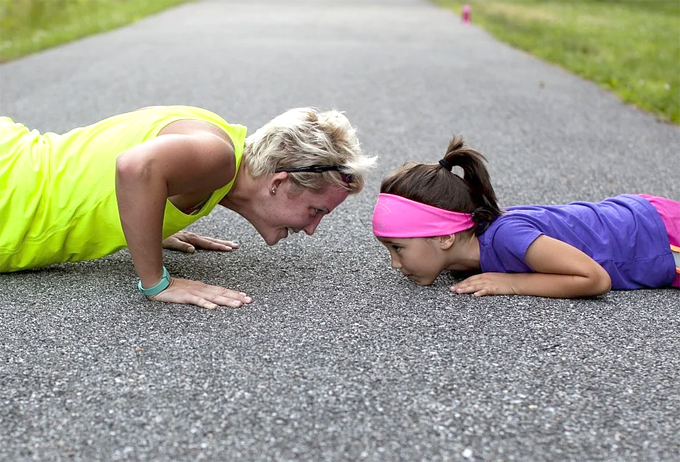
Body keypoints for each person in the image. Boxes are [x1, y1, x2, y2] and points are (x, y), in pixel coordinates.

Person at [1, 105, 376, 309]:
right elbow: (135, 168)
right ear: (279, 183)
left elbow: (129, 170)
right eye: (316, 211)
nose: (312, 229)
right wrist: (156, 281)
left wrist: (149, 221)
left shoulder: (220, 144)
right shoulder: (218, 157)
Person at [372, 135, 680, 298]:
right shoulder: (466, 256)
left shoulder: (507, 236)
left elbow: (595, 279)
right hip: (643, 219)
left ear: (445, 236)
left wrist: (512, 283)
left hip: (659, 236)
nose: (394, 263)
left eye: (398, 248)